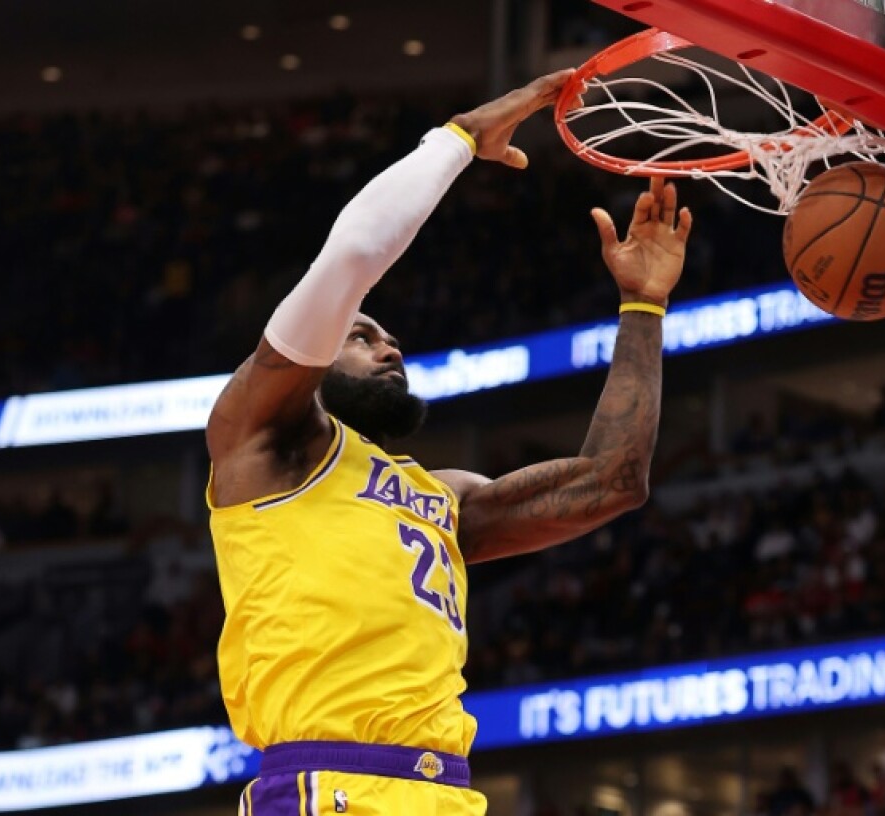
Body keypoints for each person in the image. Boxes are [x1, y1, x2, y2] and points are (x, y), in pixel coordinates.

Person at [204, 70, 694, 816]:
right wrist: (460, 138)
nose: (389, 347)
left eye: (392, 339)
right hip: (327, 784)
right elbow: (351, 260)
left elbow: (611, 481)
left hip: (446, 792)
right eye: (362, 335)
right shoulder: (262, 443)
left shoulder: (443, 496)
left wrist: (643, 305)